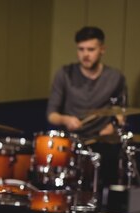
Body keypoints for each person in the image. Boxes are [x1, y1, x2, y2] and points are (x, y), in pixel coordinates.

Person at [45, 26, 128, 188]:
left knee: (111, 168)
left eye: (91, 49)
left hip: (102, 143)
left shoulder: (115, 77)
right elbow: (51, 115)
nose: (85, 55)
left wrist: (113, 126)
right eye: (81, 49)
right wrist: (66, 119)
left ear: (102, 50)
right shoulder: (64, 74)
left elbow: (121, 112)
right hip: (72, 143)